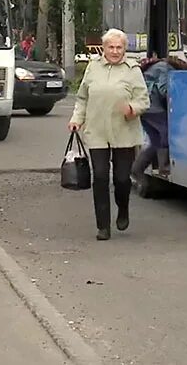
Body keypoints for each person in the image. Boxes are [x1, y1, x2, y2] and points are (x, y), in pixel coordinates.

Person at [69, 28, 150, 241]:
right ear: (103, 48)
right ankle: (103, 226)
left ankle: (123, 208)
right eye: (111, 47)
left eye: (119, 47)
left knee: (122, 179)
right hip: (97, 131)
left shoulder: (133, 70)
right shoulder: (93, 68)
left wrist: (132, 108)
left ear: (124, 49)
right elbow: (82, 98)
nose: (115, 51)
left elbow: (144, 100)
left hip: (124, 132)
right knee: (101, 177)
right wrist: (76, 119)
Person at [132, 55, 187, 181]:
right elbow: (164, 89)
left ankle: (137, 168)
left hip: (143, 105)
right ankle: (164, 166)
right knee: (167, 131)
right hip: (152, 106)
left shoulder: (159, 65)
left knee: (155, 140)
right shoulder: (166, 68)